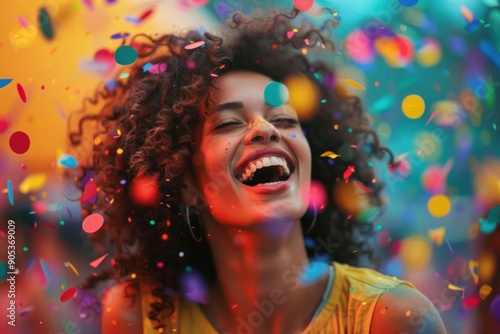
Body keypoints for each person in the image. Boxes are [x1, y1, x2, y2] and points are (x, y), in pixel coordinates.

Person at [67, 7, 447, 334]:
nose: (265, 129)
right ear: (184, 185)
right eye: (229, 123)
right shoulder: (138, 315)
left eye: (283, 119)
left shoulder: (392, 318)